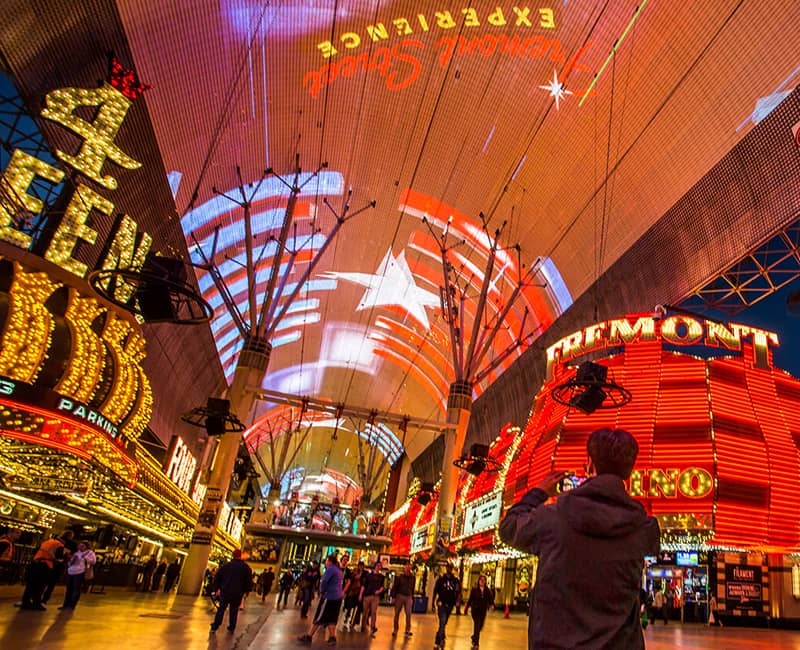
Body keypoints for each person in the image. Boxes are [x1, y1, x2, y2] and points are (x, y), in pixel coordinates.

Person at [499, 427, 661, 650]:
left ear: (590, 466)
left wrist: (539, 492)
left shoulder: (552, 519)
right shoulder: (644, 529)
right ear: (629, 473)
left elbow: (508, 528)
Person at [20, 530, 74, 610]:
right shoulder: (59, 545)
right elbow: (59, 558)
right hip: (45, 565)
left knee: (31, 584)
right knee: (40, 585)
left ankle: (25, 601)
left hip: (35, 563)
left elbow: (36, 550)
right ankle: (36, 603)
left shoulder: (47, 542)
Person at [298, 554, 344, 645]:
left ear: (330, 561)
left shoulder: (330, 569)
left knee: (319, 616)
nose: (326, 563)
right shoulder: (339, 571)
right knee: (332, 618)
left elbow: (324, 581)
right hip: (337, 598)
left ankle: (309, 636)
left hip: (329, 597)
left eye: (326, 561)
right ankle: (332, 637)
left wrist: (322, 591)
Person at [210, 549, 253, 634]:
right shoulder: (246, 568)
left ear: (233, 555)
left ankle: (215, 626)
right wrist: (247, 591)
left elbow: (217, 577)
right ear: (240, 556)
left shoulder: (226, 566)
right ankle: (231, 627)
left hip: (225, 591)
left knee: (221, 609)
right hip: (237, 593)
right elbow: (248, 581)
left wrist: (216, 589)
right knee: (233, 610)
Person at [41, 530, 76, 607]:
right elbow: (71, 556)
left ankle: (37, 598)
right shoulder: (72, 544)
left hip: (48, 562)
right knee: (52, 584)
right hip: (59, 565)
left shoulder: (55, 541)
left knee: (43, 582)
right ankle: (44, 600)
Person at [59, 540, 96, 610]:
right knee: (69, 588)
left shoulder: (89, 553)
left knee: (76, 588)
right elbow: (70, 562)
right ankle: (66, 604)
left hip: (80, 572)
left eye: (83, 546)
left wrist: (85, 558)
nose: (81, 547)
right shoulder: (76, 552)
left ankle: (72, 605)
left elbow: (93, 561)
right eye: (80, 546)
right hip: (71, 571)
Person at [432, 563, 461, 650]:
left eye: (450, 568)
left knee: (444, 623)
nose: (449, 569)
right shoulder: (441, 580)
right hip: (441, 603)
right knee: (442, 622)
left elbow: (458, 592)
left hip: (450, 604)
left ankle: (442, 637)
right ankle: (437, 641)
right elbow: (435, 591)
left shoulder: (455, 581)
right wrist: (433, 602)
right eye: (448, 568)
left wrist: (457, 602)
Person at [465, 574, 494, 650]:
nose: (482, 581)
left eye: (483, 580)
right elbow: (470, 599)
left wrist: (491, 605)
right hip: (475, 611)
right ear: (478, 581)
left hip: (483, 611)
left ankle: (474, 637)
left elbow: (490, 599)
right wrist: (466, 608)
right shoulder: (474, 590)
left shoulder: (487, 590)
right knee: (477, 626)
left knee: (480, 627)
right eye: (481, 580)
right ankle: (476, 644)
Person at [359, 560, 385, 637]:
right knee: (365, 612)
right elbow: (364, 585)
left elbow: (382, 587)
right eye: (377, 565)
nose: (378, 567)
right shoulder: (368, 575)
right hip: (367, 595)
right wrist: (361, 594)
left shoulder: (381, 577)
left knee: (373, 612)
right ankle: (363, 625)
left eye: (379, 566)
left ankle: (372, 627)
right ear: (375, 566)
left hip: (375, 596)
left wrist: (379, 591)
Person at [391, 563, 414, 638]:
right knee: (397, 613)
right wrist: (393, 597)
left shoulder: (412, 577)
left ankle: (407, 630)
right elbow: (395, 587)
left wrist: (412, 596)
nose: (408, 568)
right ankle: (395, 629)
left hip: (408, 596)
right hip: (400, 595)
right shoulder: (400, 576)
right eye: (407, 566)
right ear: (404, 567)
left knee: (408, 613)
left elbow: (412, 587)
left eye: (409, 566)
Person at [341, 560, 363, 631]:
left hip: (356, 593)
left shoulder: (362, 576)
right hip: (352, 593)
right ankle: (347, 619)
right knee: (349, 607)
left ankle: (352, 621)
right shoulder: (352, 576)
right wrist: (345, 591)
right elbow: (349, 583)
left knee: (354, 608)